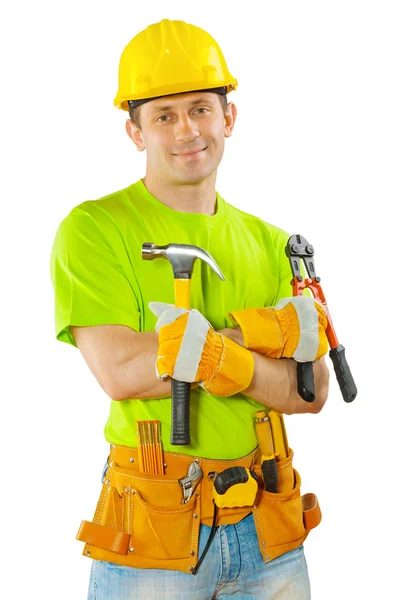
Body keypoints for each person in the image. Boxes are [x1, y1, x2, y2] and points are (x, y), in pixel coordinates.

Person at [50, 18, 330, 600]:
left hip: (269, 522)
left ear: (229, 117)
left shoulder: (273, 242)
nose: (186, 130)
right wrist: (258, 338)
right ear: (135, 132)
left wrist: (200, 352)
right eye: (164, 115)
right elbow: (123, 372)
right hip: (156, 528)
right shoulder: (95, 229)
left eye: (201, 108)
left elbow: (309, 391)